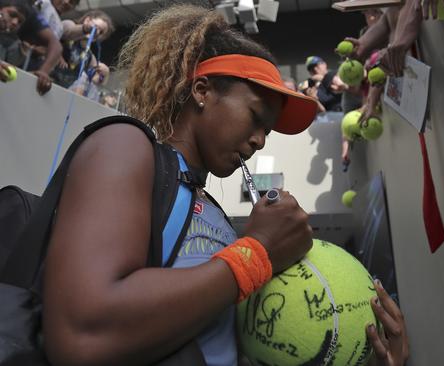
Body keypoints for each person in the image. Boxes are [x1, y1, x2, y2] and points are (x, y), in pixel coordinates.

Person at [41, 4, 409, 366]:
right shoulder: (125, 146)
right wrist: (258, 253)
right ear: (203, 90)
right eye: (255, 117)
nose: (261, 140)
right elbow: (82, 334)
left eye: (267, 131)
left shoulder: (215, 216)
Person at [0, 0, 60, 94]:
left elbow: (55, 44)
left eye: (20, 21)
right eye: (12, 14)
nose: (15, 22)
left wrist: (43, 72)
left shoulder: (32, 13)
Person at [51, 9, 113, 88]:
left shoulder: (88, 55)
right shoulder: (69, 24)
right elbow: (68, 32)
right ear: (87, 20)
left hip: (59, 90)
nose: (97, 33)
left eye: (101, 32)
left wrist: (104, 74)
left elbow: (96, 80)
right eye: (96, 27)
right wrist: (86, 29)